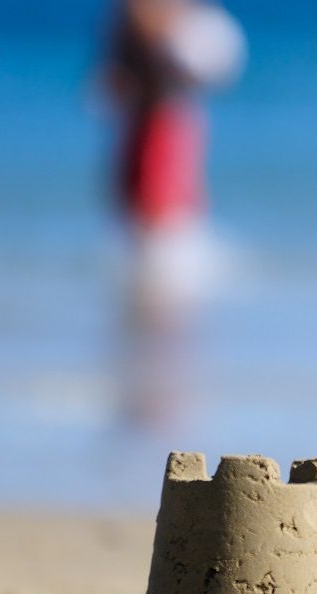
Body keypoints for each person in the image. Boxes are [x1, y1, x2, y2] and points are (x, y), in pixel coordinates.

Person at [102, 0, 244, 428]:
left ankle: (159, 382)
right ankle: (157, 381)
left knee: (158, 228)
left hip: (162, 120)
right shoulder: (150, 18)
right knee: (153, 227)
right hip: (157, 119)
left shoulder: (155, 18)